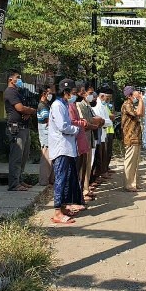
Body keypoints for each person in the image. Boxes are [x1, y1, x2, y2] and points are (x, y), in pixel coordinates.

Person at [49, 79, 86, 224]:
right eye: (72, 93)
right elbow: (63, 126)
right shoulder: (57, 105)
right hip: (61, 148)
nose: (74, 96)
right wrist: (76, 129)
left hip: (68, 148)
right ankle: (57, 211)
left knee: (69, 179)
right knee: (61, 179)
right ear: (65, 92)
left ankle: (64, 207)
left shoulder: (64, 104)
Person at [3, 69, 37, 191]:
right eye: (18, 77)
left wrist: (28, 111)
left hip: (24, 127)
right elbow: (20, 108)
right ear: (10, 79)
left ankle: (20, 181)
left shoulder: (19, 92)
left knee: (23, 157)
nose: (20, 79)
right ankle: (13, 184)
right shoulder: (10, 92)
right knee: (16, 157)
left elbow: (25, 106)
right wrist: (31, 111)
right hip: (16, 128)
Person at [121, 85, 145, 192]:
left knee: (135, 162)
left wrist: (141, 101)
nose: (138, 95)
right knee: (130, 161)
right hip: (130, 137)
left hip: (136, 136)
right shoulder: (127, 105)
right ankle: (128, 184)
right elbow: (138, 113)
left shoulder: (131, 104)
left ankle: (133, 183)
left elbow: (142, 113)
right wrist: (140, 99)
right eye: (135, 94)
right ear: (130, 95)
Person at [92, 89, 113, 178]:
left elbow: (106, 120)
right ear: (101, 96)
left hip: (103, 133)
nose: (108, 100)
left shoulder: (104, 106)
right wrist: (106, 121)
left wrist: (105, 121)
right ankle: (95, 176)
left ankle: (101, 173)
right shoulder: (96, 106)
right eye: (107, 98)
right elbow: (100, 121)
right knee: (97, 157)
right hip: (98, 134)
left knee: (103, 155)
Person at [37, 84, 55, 186]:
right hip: (45, 137)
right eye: (49, 93)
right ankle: (44, 180)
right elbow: (48, 119)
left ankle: (50, 179)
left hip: (49, 135)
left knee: (51, 158)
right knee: (46, 159)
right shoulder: (42, 105)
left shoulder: (46, 104)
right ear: (44, 93)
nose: (51, 95)